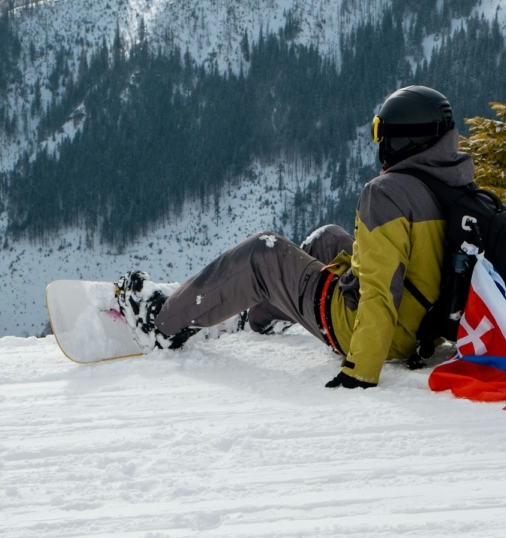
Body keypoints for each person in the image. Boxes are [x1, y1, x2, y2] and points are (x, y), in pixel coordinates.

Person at [116, 85, 473, 388]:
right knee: (328, 239)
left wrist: (359, 372)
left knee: (262, 253)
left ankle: (161, 323)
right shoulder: (456, 181)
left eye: (382, 134)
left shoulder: (388, 192)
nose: (379, 146)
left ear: (403, 140)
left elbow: (380, 292)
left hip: (374, 328)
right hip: (421, 320)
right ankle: (259, 317)